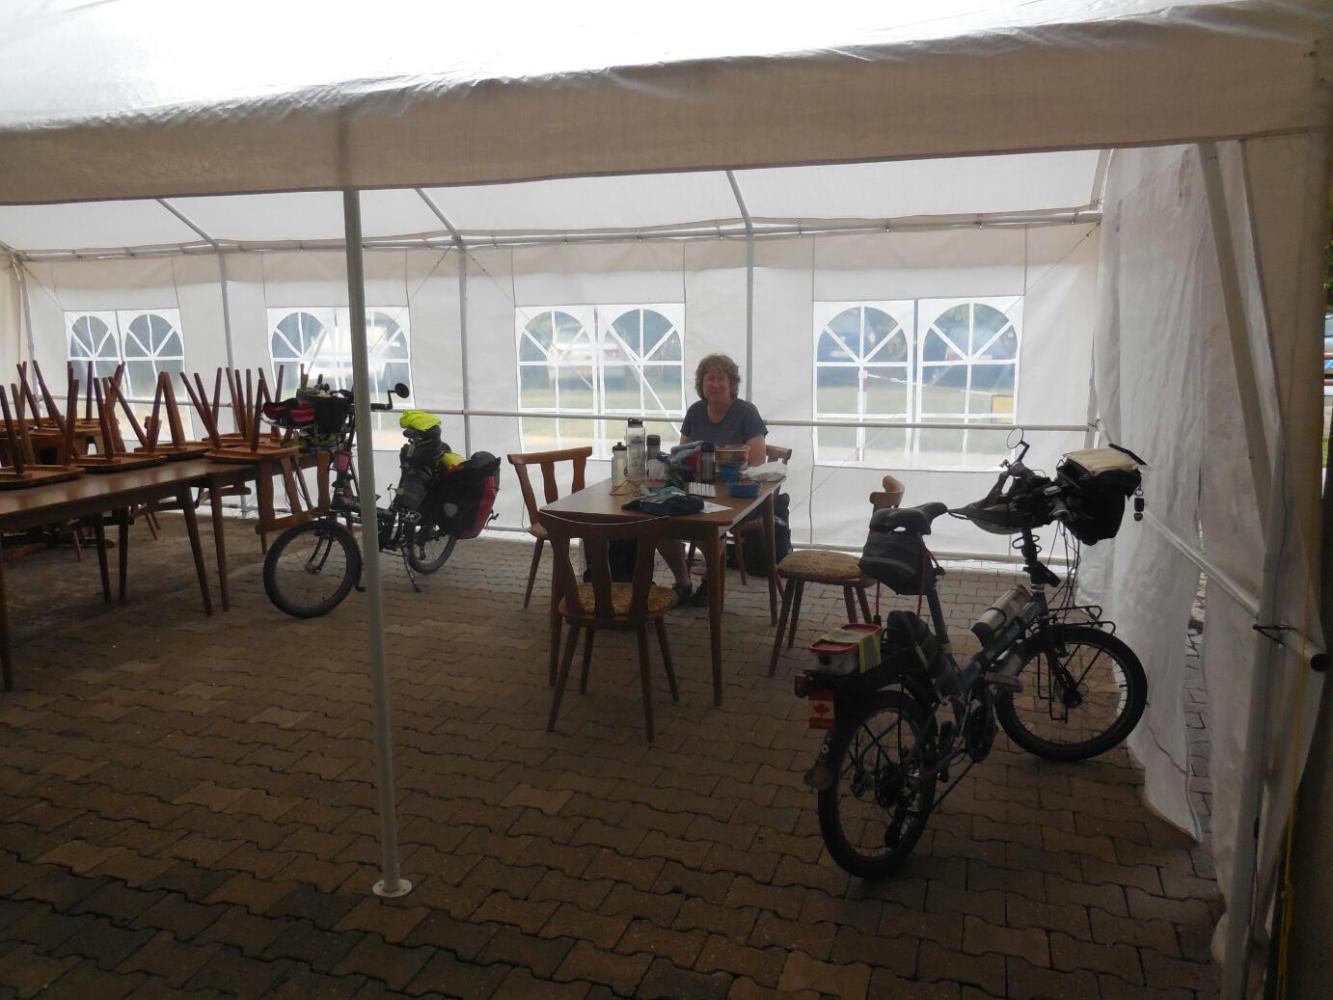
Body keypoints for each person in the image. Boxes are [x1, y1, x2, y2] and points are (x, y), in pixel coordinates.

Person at [663, 353, 768, 606]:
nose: (716, 384)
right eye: (710, 378)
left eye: (721, 379)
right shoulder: (695, 411)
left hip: (736, 493)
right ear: (701, 384)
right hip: (697, 488)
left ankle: (710, 583)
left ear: (732, 383)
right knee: (657, 526)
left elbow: (757, 461)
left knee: (706, 527)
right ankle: (683, 583)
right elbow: (681, 455)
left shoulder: (746, 412)